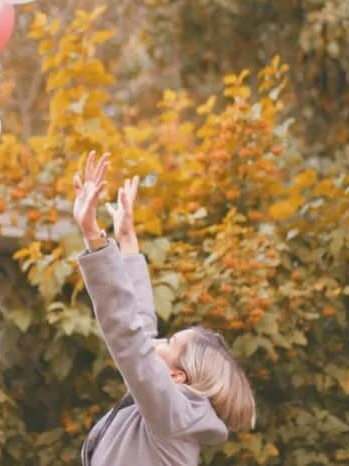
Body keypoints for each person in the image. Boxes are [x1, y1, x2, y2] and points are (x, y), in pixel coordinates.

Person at [72, 151, 256, 465]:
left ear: (176, 376)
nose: (156, 343)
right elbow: (140, 328)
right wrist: (127, 243)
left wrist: (93, 236)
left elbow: (130, 338)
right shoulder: (175, 414)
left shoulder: (171, 415)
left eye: (168, 344)